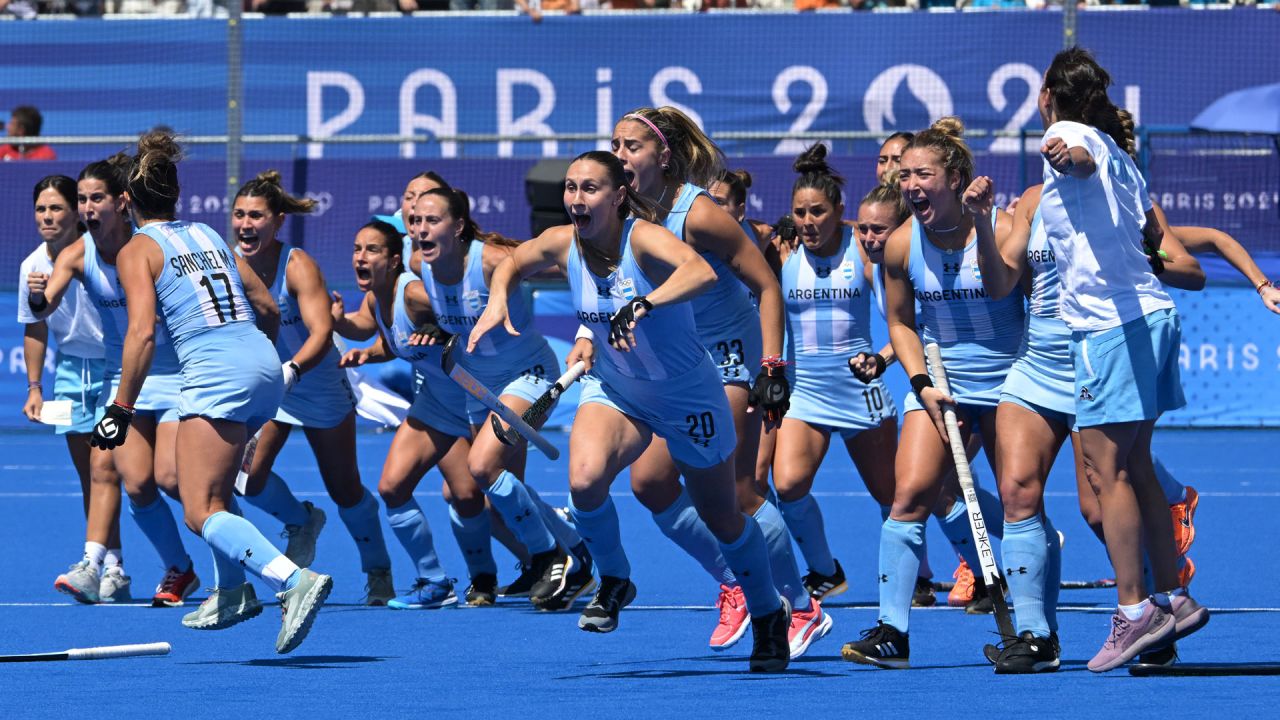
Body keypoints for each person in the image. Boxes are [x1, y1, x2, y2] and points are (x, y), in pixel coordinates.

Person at [469, 150, 792, 672]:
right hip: (618, 388)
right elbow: (510, 261)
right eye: (570, 188)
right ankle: (615, 578)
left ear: (618, 196)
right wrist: (497, 299)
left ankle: (767, 613)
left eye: (589, 188)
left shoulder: (643, 237)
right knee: (585, 479)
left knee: (723, 516)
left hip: (687, 395)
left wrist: (647, 302)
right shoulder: (562, 242)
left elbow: (700, 274)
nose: (576, 198)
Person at [95, 130, 331, 652]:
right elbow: (267, 308)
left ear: (128, 201)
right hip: (261, 363)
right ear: (176, 196)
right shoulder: (207, 233)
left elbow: (141, 334)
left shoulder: (136, 250)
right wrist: (254, 359)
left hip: (216, 371)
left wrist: (120, 407)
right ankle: (230, 593)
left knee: (200, 510)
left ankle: (292, 581)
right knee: (197, 488)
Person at [605, 107, 821, 659]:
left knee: (741, 492)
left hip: (735, 359)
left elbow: (767, 285)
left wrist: (772, 369)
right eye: (615, 145)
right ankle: (737, 579)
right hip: (682, 365)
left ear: (664, 156)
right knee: (650, 485)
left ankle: (800, 605)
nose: (620, 155)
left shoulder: (697, 214)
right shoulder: (622, 212)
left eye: (632, 146)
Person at [1035, 47, 1208, 672]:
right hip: (1151, 316)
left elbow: (1074, 159)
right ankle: (1173, 596)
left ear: (1051, 93)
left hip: (1111, 326)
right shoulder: (1121, 153)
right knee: (1131, 464)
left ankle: (1134, 612)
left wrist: (1063, 153)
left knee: (1105, 472)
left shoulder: (1068, 135)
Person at [841, 117, 1021, 670]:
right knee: (909, 497)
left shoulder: (1006, 225)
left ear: (956, 177)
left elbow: (1004, 289)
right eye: (905, 174)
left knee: (1019, 503)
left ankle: (1035, 632)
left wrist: (984, 224)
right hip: (942, 380)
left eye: (923, 173)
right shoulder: (899, 245)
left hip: (1013, 380)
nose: (910, 183)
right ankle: (893, 631)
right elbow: (899, 322)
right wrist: (921, 384)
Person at [28, 155, 200, 608]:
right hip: (120, 376)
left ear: (122, 202)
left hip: (174, 373)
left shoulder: (149, 245)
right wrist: (37, 296)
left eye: (96, 198)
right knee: (125, 477)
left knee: (170, 477)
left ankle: (244, 554)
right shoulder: (76, 254)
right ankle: (142, 566)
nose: (87, 207)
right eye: (81, 199)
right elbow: (43, 309)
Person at [411, 186, 593, 610]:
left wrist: (589, 329)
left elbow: (570, 266)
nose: (421, 229)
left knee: (481, 466)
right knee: (503, 487)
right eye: (416, 221)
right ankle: (577, 552)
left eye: (432, 220)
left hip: (528, 374)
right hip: (479, 386)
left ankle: (548, 556)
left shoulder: (491, 260)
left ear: (458, 227)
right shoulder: (422, 266)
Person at [231, 171, 394, 605]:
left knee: (345, 488)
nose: (246, 224)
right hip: (271, 386)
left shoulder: (298, 265)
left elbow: (322, 333)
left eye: (257, 216)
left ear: (278, 221)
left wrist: (292, 371)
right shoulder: (230, 263)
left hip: (317, 382)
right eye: (240, 214)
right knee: (247, 479)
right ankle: (302, 521)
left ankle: (378, 569)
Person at [334, 219, 504, 608]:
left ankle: (541, 561)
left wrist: (439, 328)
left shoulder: (412, 292)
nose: (361, 256)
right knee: (393, 487)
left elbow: (463, 313)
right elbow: (394, 342)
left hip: (473, 397)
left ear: (395, 260)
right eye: (357, 249)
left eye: (372, 249)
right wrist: (368, 352)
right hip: (436, 403)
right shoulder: (378, 299)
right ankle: (434, 582)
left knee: (469, 495)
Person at [771, 144, 899, 617]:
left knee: (892, 498)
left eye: (818, 212)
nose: (808, 221)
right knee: (787, 486)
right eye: (800, 212)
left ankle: (924, 581)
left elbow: (904, 321)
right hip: (806, 392)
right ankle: (825, 570)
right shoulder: (782, 251)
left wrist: (882, 359)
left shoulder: (861, 250)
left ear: (839, 211)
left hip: (860, 392)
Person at [17, 175, 119, 600]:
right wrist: (35, 386)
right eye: (41, 209)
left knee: (110, 471)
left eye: (56, 208)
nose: (47, 216)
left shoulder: (97, 253)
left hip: (115, 368)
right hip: (69, 376)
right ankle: (111, 566)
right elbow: (36, 330)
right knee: (88, 476)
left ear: (76, 212)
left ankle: (104, 565)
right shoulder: (31, 266)